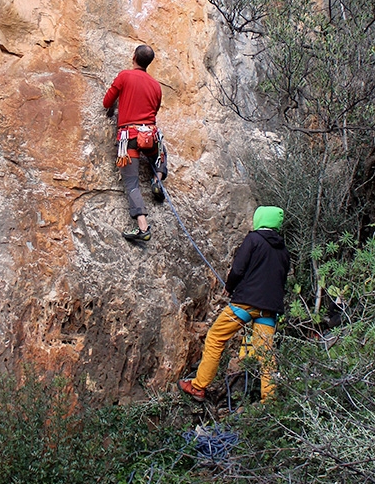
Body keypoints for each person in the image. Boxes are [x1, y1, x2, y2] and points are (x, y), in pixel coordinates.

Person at [178, 206, 290, 402]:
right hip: (269, 310)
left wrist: (229, 287)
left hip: (245, 303)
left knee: (215, 337)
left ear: (260, 219)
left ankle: (198, 386)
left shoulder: (253, 239)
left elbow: (238, 269)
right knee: (266, 353)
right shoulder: (283, 251)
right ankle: (270, 401)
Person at [103, 44, 167, 243]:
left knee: (131, 183)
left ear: (133, 57)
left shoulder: (124, 76)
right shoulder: (156, 86)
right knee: (161, 152)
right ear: (149, 63)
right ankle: (157, 179)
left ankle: (143, 227)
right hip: (149, 136)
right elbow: (154, 111)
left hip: (128, 138)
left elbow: (107, 102)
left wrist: (116, 106)